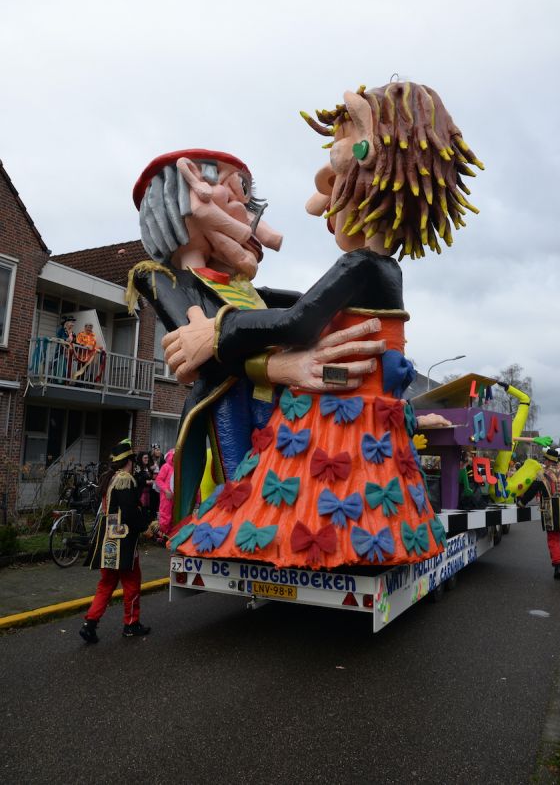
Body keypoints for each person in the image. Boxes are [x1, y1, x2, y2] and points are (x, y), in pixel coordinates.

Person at [164, 80, 483, 568]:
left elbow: (299, 321)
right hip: (369, 424)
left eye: (334, 185)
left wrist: (220, 329)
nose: (323, 207)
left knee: (304, 509)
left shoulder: (360, 265)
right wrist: (253, 297)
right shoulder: (383, 271)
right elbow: (306, 303)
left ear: (368, 168)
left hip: (339, 424)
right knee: (353, 509)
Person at [126, 149, 387, 524]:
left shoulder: (252, 293)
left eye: (246, 201)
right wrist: (277, 362)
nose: (247, 217)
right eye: (230, 196)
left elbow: (304, 311)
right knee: (245, 492)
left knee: (289, 482)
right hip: (230, 407)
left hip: (280, 402)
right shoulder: (161, 278)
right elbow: (204, 355)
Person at [79, 440, 152, 643]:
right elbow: (129, 513)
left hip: (108, 540)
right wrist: (145, 526)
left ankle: (90, 624)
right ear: (129, 461)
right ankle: (131, 624)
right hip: (124, 541)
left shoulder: (109, 478)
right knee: (132, 582)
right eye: (133, 460)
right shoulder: (124, 479)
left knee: (106, 583)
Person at [518, 446, 560, 579]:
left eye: (545, 460)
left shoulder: (541, 475)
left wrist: (522, 502)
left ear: (549, 461)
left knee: (553, 539)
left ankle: (557, 567)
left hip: (551, 510)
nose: (544, 462)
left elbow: (532, 491)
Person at [54, 316, 76, 381]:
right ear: (66, 323)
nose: (72, 324)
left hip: (69, 353)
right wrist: (65, 340)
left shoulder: (73, 333)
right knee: (60, 366)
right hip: (61, 351)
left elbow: (75, 342)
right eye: (71, 322)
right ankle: (58, 381)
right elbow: (58, 338)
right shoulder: (61, 330)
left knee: (67, 368)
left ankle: (65, 381)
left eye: (73, 323)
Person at [134, 451, 155, 518]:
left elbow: (151, 477)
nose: (147, 459)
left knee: (149, 508)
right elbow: (137, 479)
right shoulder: (137, 467)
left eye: (147, 458)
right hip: (141, 492)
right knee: (143, 509)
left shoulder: (148, 467)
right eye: (145, 458)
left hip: (149, 492)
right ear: (141, 459)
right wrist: (146, 482)